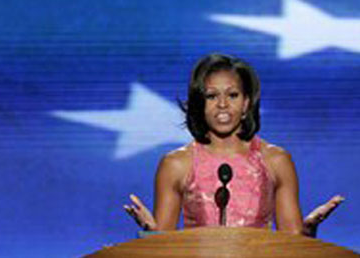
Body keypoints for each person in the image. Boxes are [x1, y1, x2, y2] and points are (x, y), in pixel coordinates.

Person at [124, 53, 343, 237]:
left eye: (232, 95)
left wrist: (307, 232)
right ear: (200, 104)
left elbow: (292, 249)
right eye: (211, 96)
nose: (222, 105)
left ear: (246, 103)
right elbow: (162, 250)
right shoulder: (176, 164)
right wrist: (149, 234)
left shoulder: (276, 161)